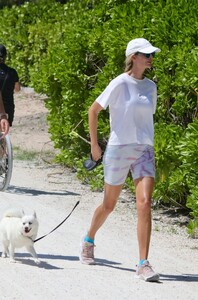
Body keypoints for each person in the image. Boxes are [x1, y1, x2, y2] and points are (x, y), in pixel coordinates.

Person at [79, 38, 161, 282]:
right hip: (118, 149)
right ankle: (88, 239)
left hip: (144, 149)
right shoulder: (119, 83)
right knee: (109, 205)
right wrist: (95, 146)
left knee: (145, 203)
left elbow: (146, 119)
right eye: (145, 54)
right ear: (133, 57)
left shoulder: (151, 87)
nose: (150, 58)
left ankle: (143, 263)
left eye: (151, 54)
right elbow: (93, 111)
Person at [0, 44, 20, 127]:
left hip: (2, 111)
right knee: (4, 133)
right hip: (8, 107)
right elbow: (17, 89)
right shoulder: (12, 72)